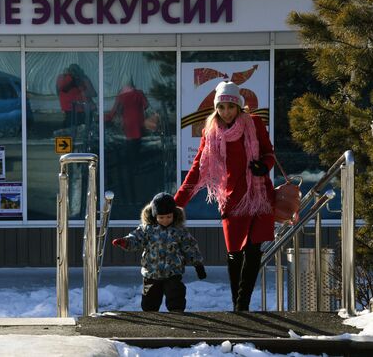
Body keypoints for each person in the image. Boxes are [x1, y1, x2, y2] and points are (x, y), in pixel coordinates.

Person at [174, 81, 275, 312]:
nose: (226, 112)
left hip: (258, 195)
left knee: (253, 250)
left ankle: (242, 306)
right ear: (216, 108)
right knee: (234, 253)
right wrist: (177, 202)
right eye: (221, 107)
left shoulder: (254, 123)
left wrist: (264, 165)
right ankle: (236, 301)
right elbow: (198, 168)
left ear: (239, 105)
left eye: (230, 106)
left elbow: (269, 152)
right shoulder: (211, 131)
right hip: (232, 198)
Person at [112, 192, 207, 312]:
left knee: (176, 297)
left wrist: (198, 265)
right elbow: (136, 239)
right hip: (151, 273)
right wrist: (125, 242)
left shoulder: (179, 231)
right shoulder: (147, 229)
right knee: (150, 302)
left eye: (168, 217)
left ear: (174, 215)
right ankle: (151, 317)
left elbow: (190, 247)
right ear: (154, 216)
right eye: (161, 217)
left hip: (173, 272)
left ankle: (177, 315)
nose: (165, 220)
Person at [105, 77, 151, 201]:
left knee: (129, 142)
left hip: (127, 122)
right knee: (137, 143)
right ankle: (136, 164)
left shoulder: (121, 96)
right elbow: (146, 106)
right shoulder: (139, 93)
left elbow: (115, 110)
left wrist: (107, 118)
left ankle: (130, 165)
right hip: (138, 121)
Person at [56, 63, 97, 129]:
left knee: (83, 132)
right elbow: (61, 90)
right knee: (71, 132)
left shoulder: (83, 78)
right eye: (72, 71)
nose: (74, 74)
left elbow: (93, 93)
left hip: (83, 111)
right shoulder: (63, 78)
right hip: (71, 111)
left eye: (75, 71)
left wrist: (82, 89)